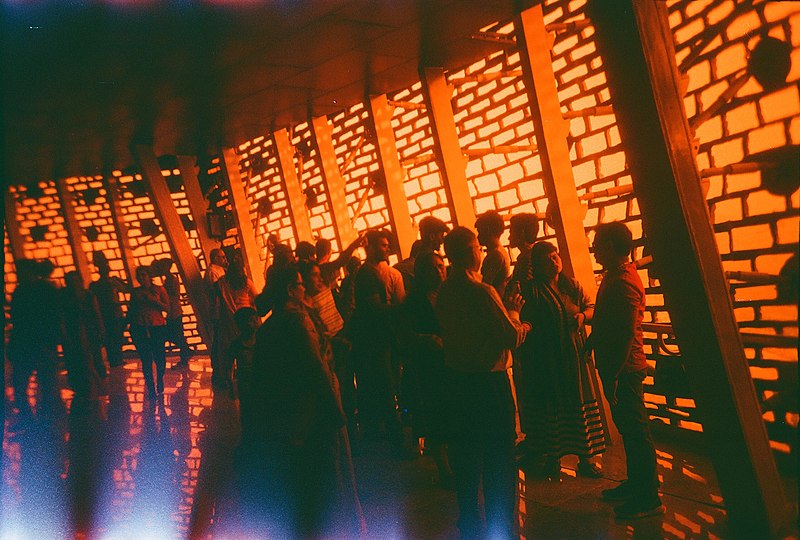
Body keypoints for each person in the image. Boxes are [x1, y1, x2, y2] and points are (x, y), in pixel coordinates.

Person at [435, 226, 529, 539]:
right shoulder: (482, 292)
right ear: (469, 252)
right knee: (499, 459)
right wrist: (515, 312)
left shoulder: (446, 291)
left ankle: (470, 518)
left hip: (457, 383)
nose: (482, 252)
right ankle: (500, 524)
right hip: (489, 385)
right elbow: (510, 337)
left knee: (466, 455)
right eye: (477, 246)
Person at [249, 265, 347, 536]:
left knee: (298, 484)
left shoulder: (269, 327)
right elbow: (315, 368)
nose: (306, 287)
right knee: (319, 480)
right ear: (291, 290)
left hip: (285, 417)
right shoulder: (298, 322)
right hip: (309, 413)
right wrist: (334, 410)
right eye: (301, 284)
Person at [588, 222, 663, 519]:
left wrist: (616, 375)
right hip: (619, 368)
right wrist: (592, 342)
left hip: (625, 370)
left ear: (609, 247)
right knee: (631, 432)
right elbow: (608, 319)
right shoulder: (616, 277)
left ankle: (649, 499)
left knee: (636, 433)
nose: (594, 249)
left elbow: (625, 334)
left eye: (597, 244)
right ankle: (637, 485)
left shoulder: (624, 282)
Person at [518, 241, 605, 478]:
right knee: (553, 405)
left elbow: (591, 307)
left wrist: (581, 316)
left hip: (574, 356)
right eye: (547, 259)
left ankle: (586, 459)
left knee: (578, 402)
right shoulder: (533, 290)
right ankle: (552, 458)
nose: (554, 261)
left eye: (555, 256)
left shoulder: (571, 285)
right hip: (547, 358)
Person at [397, 251, 453, 487]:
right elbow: (404, 335)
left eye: (441, 266)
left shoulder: (449, 294)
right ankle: (445, 470)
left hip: (450, 363)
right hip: (428, 368)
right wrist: (424, 339)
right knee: (436, 417)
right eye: (434, 267)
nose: (439, 271)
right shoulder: (413, 301)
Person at [350, 229, 405, 444]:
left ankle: (375, 434)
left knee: (378, 387)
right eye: (382, 245)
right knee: (385, 386)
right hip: (376, 339)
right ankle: (396, 437)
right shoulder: (368, 274)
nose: (387, 248)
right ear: (370, 247)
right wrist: (400, 309)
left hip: (378, 338)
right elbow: (374, 308)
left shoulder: (375, 273)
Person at [7, 258, 63, 419]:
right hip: (41, 344)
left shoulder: (21, 291)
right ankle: (45, 419)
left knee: (21, 384)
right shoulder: (47, 290)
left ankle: (29, 419)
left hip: (27, 344)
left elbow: (17, 320)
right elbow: (55, 317)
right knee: (46, 384)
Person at [212, 257, 258, 391]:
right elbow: (255, 297)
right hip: (246, 318)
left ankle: (228, 378)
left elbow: (215, 300)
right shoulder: (246, 283)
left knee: (228, 349)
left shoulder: (222, 283)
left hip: (228, 320)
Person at [61, 271, 106, 403]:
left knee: (86, 360)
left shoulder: (68, 298)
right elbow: (97, 314)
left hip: (81, 333)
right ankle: (95, 387)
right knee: (89, 360)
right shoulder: (87, 296)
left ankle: (89, 389)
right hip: (83, 332)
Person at [128, 266, 169, 400]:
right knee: (146, 360)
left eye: (143, 275)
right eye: (139, 276)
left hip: (157, 327)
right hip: (140, 327)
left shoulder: (159, 289)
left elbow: (167, 307)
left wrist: (154, 301)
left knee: (160, 358)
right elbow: (131, 310)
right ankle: (151, 388)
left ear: (149, 276)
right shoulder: (135, 293)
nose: (141, 278)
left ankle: (160, 380)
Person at [89, 252, 129, 368]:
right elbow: (126, 289)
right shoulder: (112, 282)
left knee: (110, 338)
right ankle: (117, 359)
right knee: (116, 338)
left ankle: (114, 359)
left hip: (104, 315)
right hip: (114, 314)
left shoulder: (95, 285)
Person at [152, 258, 191, 369]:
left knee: (175, 335)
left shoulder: (171, 280)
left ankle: (185, 354)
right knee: (177, 335)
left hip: (174, 312)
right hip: (174, 311)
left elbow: (172, 296)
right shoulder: (170, 279)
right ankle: (185, 353)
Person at [229, 307, 260, 440]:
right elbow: (228, 365)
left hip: (260, 381)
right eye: (251, 320)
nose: (255, 323)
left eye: (255, 319)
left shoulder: (262, 340)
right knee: (247, 411)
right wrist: (230, 384)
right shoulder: (236, 344)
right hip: (245, 383)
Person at [475, 210, 510, 297]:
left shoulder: (495, 255)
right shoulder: (500, 251)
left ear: (487, 230)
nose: (478, 236)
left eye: (480, 231)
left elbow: (485, 286)